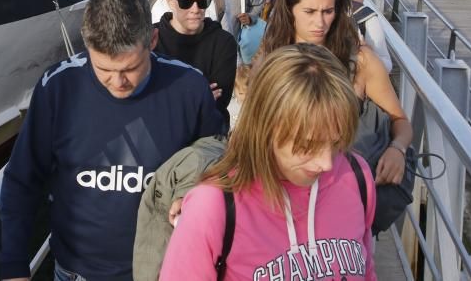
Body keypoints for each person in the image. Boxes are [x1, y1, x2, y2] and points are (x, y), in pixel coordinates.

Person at [0, 0, 223, 281]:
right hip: (74, 271)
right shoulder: (57, 86)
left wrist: (193, 193)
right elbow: (22, 178)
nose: (118, 82)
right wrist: (13, 266)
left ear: (153, 39)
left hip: (160, 269)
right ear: (87, 46)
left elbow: (218, 163)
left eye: (131, 68)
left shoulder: (190, 87)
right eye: (103, 70)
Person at [160, 43, 376, 280]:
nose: (326, 163)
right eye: (307, 146)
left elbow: (367, 271)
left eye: (336, 143)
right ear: (266, 128)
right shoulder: (213, 206)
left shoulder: (357, 176)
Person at [259, 0, 412, 188]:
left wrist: (397, 149)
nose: (320, 22)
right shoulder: (269, 58)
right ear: (289, 10)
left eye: (328, 11)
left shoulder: (362, 62)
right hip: (284, 188)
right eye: (309, 11)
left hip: (346, 186)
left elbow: (400, 121)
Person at [155, 0, 239, 129]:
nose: (195, 9)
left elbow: (218, 103)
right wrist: (198, 96)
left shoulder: (223, 42)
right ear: (170, 1)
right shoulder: (151, 38)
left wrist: (168, 97)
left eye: (202, 2)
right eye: (186, 2)